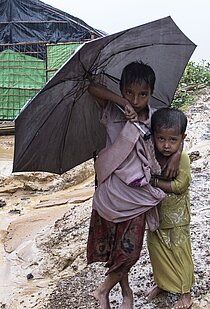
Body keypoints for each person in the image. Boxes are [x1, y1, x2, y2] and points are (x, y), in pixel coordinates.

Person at [85, 61, 180, 309]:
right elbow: (92, 87)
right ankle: (126, 292)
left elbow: (173, 138)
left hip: (139, 195)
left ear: (151, 93)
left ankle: (102, 290)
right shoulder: (113, 112)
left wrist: (178, 155)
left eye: (142, 94)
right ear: (122, 90)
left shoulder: (155, 117)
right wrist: (121, 102)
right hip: (112, 191)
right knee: (116, 248)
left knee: (130, 252)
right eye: (130, 92)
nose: (136, 99)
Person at [144, 107, 194, 309]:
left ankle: (185, 293)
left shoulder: (182, 158)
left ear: (182, 138)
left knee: (180, 252)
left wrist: (154, 182)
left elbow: (180, 186)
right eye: (161, 139)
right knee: (157, 251)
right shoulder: (151, 154)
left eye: (173, 140)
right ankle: (163, 284)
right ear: (153, 136)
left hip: (177, 217)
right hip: (156, 214)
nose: (166, 145)